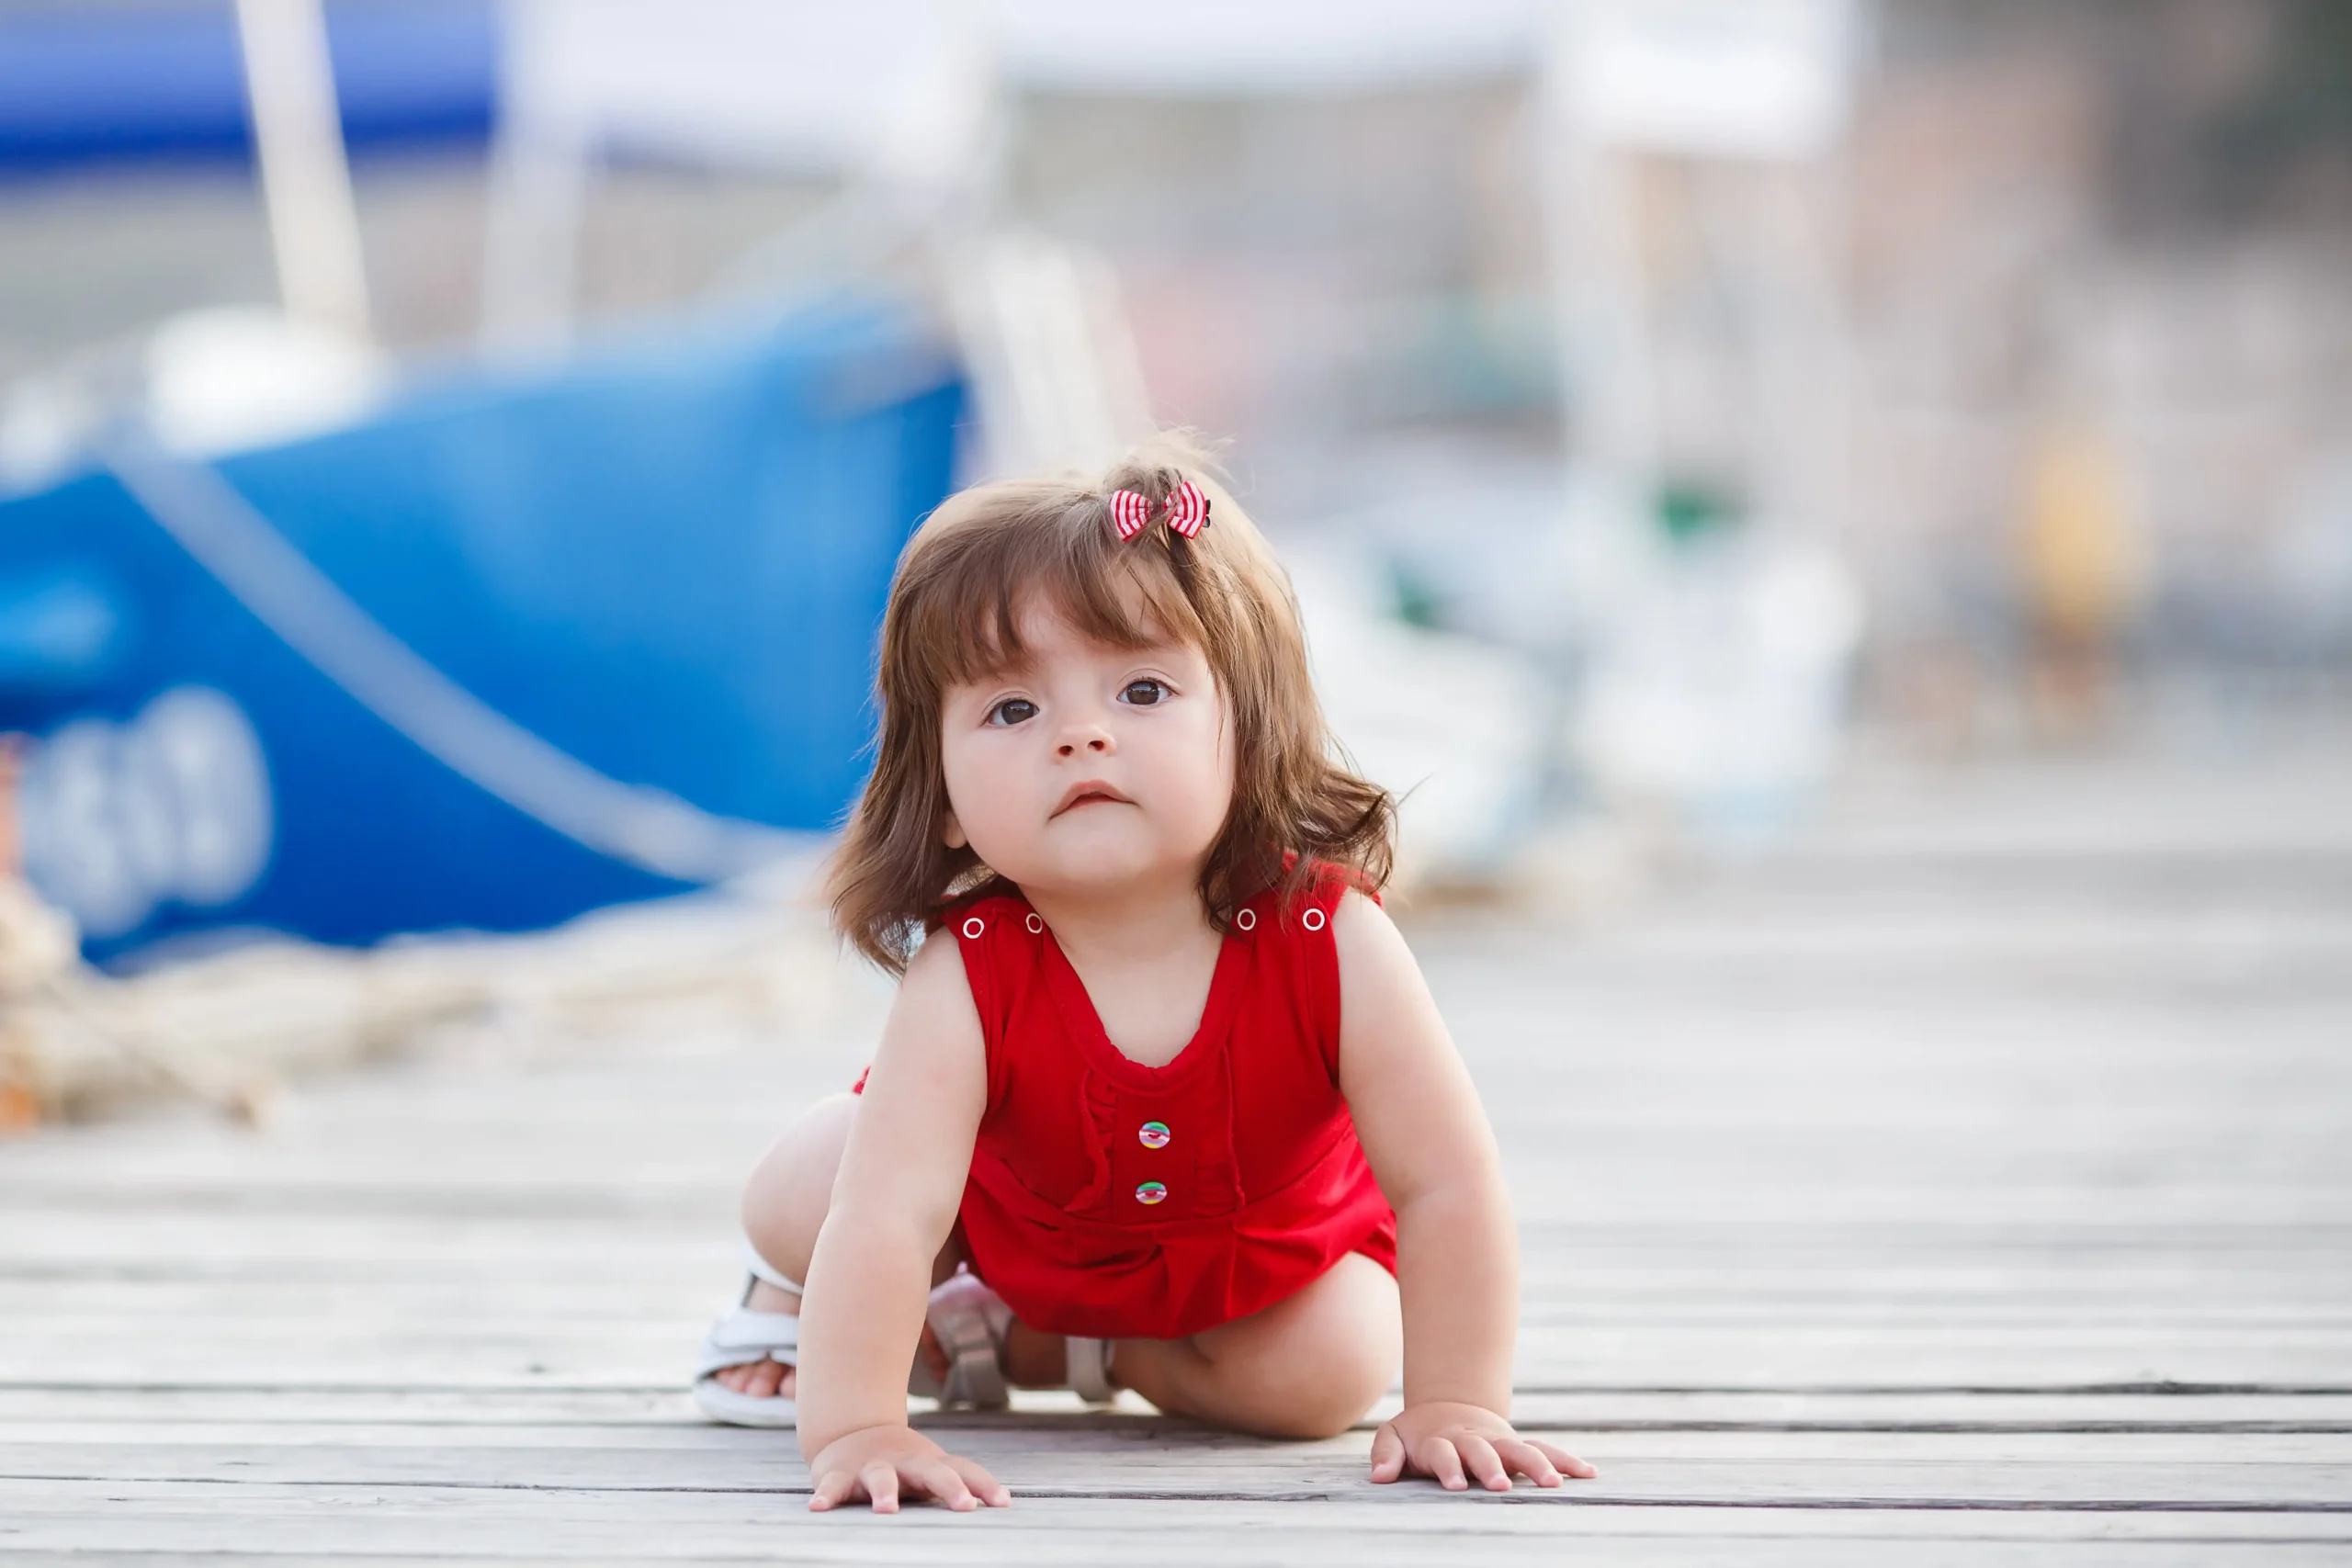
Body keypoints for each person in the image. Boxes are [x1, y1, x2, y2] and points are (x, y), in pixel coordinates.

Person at [693, 434, 1596, 1512]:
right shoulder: (968, 970)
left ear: (1248, 728)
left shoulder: (1331, 938)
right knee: (820, 1183)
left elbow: (1446, 1182)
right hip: (1002, 1226)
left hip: (1248, 1268)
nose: (1081, 735)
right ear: (940, 791)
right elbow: (890, 1214)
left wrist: (1457, 1402)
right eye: (1013, 710)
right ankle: (802, 1308)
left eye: (1143, 689)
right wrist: (858, 1426)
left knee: (1334, 1366)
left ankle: (1038, 1349)